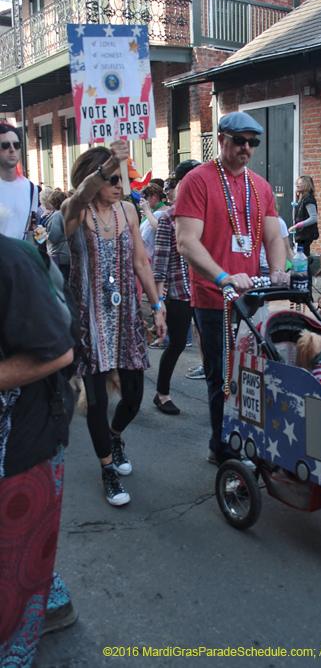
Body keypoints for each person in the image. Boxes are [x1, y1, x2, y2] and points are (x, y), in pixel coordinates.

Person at [175, 111, 288, 464]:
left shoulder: (261, 185)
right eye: (239, 141)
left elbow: (273, 234)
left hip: (252, 296)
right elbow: (186, 242)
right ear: (221, 140)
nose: (246, 148)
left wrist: (280, 270)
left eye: (252, 143)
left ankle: (248, 435)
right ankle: (220, 446)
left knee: (254, 371)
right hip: (214, 298)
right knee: (222, 376)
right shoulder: (197, 181)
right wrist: (222, 277)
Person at [62, 140, 164, 506]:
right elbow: (76, 200)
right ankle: (107, 468)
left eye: (122, 177)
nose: (120, 183)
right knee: (98, 400)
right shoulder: (75, 211)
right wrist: (108, 164)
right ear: (94, 177)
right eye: (112, 177)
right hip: (89, 318)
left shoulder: (129, 212)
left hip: (124, 317)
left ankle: (114, 436)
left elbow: (141, 262)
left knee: (134, 395)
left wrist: (157, 305)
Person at [0, 232, 76, 665]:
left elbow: (57, 351)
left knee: (17, 571)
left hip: (24, 443)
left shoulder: (9, 260)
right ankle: (51, 597)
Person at [152, 160, 201, 415]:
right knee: (178, 343)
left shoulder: (207, 211)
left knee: (214, 343)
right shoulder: (168, 217)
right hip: (179, 292)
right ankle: (162, 393)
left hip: (205, 289)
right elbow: (159, 263)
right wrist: (158, 304)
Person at [0, 122, 39, 239]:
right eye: (5, 145)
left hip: (18, 255)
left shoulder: (31, 189)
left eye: (16, 145)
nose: (12, 149)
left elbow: (30, 227)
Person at [42, 190, 71, 280]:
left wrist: (44, 235)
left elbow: (54, 237)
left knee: (59, 280)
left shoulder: (57, 215)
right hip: (67, 253)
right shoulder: (67, 213)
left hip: (59, 254)